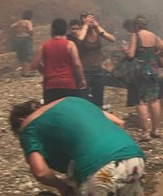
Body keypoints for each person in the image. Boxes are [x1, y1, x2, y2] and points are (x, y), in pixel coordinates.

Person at [9, 96, 145, 196]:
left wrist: (62, 187)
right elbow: (119, 123)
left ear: (21, 121)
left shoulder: (28, 126)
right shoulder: (73, 101)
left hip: (101, 171)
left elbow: (40, 172)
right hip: (133, 157)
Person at [122, 15, 163, 141]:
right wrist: (156, 55)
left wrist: (125, 50)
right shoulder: (153, 36)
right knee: (154, 100)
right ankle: (155, 130)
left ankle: (145, 133)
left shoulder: (136, 35)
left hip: (140, 71)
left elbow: (130, 54)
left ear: (136, 25)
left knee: (141, 101)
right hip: (153, 69)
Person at [30, 18, 86, 104]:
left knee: (52, 109)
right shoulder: (70, 44)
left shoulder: (44, 46)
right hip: (68, 84)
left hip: (50, 85)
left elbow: (34, 64)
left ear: (52, 30)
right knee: (68, 109)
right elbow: (77, 64)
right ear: (65, 30)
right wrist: (81, 79)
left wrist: (44, 70)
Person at [76, 12, 116, 108]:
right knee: (83, 98)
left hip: (98, 70)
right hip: (85, 70)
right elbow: (79, 39)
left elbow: (112, 39)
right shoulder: (80, 31)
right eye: (86, 18)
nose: (89, 21)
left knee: (98, 98)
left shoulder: (97, 30)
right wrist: (85, 25)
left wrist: (98, 27)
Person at [10, 10, 34, 77]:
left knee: (22, 56)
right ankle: (25, 73)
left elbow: (12, 26)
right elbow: (30, 30)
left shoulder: (19, 22)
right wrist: (31, 35)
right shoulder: (28, 22)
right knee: (27, 56)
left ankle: (23, 72)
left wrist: (17, 31)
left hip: (18, 39)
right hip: (26, 39)